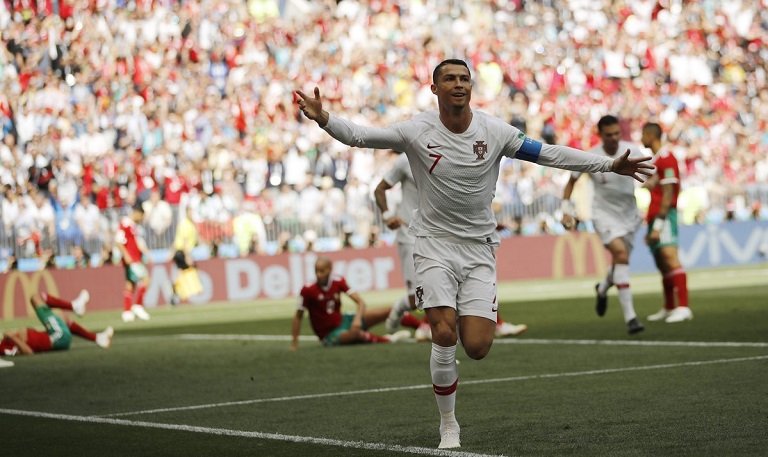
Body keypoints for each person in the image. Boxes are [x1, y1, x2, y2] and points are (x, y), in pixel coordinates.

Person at [295, 58, 653, 449]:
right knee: (443, 332)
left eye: (464, 78)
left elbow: (549, 154)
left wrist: (609, 164)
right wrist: (324, 118)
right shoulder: (417, 131)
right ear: (435, 89)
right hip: (432, 244)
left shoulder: (495, 131)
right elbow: (361, 136)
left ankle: (450, 355)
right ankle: (449, 424)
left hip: (479, 248)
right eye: (449, 78)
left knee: (478, 346)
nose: (459, 84)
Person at [374, 150, 527, 341]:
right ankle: (404, 314)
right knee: (417, 297)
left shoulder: (450, 154)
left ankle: (496, 322)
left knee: (466, 278)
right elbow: (379, 189)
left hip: (440, 233)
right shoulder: (405, 160)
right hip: (410, 234)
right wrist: (387, 216)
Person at [561, 115, 645, 334]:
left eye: (617, 133)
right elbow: (571, 183)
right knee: (621, 256)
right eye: (609, 134)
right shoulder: (591, 156)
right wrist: (566, 211)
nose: (614, 138)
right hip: (603, 215)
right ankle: (631, 318)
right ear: (601, 135)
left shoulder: (632, 151)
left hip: (630, 215)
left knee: (620, 261)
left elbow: (649, 176)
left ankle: (603, 287)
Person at [291, 257, 412, 350]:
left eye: (322, 271)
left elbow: (361, 303)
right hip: (329, 334)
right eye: (316, 271)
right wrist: (294, 343)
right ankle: (388, 340)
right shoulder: (307, 290)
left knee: (388, 310)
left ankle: (422, 327)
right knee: (355, 334)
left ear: (330, 269)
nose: (318, 274)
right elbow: (298, 316)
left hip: (344, 320)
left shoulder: (338, 281)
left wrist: (357, 320)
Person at [640, 122, 692, 323]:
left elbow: (669, 194)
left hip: (664, 216)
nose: (641, 138)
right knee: (662, 263)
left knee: (670, 257)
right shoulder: (656, 160)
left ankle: (683, 306)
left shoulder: (667, 158)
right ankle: (670, 306)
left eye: (643, 134)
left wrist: (660, 225)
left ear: (651, 135)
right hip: (654, 216)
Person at [0, 290, 114, 356]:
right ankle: (74, 306)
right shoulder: (3, 348)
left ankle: (98, 338)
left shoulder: (3, 342)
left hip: (56, 336)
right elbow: (28, 352)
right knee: (36, 298)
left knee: (62, 318)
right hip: (58, 338)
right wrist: (12, 337)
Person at [116, 204, 152, 322]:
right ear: (137, 213)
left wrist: (145, 252)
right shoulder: (125, 223)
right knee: (146, 280)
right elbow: (118, 241)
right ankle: (138, 306)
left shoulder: (133, 226)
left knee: (130, 284)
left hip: (134, 258)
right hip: (132, 259)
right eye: (141, 216)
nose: (141, 219)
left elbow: (136, 242)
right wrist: (126, 255)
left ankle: (127, 312)